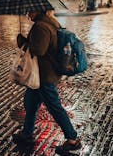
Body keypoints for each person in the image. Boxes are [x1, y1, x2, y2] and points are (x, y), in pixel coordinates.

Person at [12, 10, 81, 154]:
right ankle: (27, 133)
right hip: (43, 74)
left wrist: (23, 42)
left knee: (54, 107)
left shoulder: (41, 26)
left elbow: (39, 50)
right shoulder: (50, 22)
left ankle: (72, 139)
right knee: (30, 102)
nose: (28, 14)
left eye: (30, 11)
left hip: (44, 75)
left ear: (38, 10)